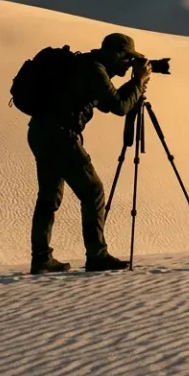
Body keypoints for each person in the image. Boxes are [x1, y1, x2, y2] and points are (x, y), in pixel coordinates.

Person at [26, 32, 152, 274]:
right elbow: (119, 107)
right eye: (128, 59)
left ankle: (41, 258)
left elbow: (107, 103)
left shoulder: (86, 65)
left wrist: (135, 82)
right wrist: (138, 81)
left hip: (41, 131)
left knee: (48, 196)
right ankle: (97, 256)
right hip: (60, 135)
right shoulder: (94, 70)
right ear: (117, 54)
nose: (129, 64)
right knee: (92, 190)